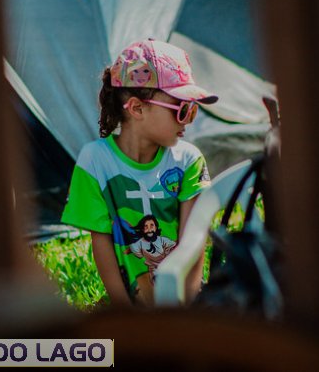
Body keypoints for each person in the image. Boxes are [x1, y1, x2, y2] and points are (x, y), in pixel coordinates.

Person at [61, 38, 218, 307]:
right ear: (136, 108)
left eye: (193, 111)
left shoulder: (188, 160)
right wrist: (125, 312)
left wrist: (187, 308)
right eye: (182, 110)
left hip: (185, 298)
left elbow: (193, 240)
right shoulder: (94, 161)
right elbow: (102, 242)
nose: (188, 121)